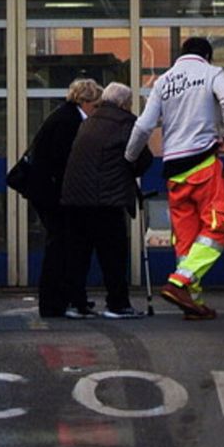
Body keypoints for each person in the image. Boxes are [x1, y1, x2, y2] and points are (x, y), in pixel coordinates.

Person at [125, 36, 224, 320]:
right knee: (217, 226)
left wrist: (128, 159)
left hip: (174, 169)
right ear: (208, 56)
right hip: (203, 163)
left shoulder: (163, 82)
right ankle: (180, 283)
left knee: (187, 241)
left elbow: (143, 126)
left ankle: (193, 303)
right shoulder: (211, 73)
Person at [61, 82, 153, 319]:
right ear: (124, 103)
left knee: (79, 253)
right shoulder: (125, 123)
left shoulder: (89, 121)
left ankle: (77, 303)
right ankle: (117, 303)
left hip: (76, 198)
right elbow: (143, 158)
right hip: (106, 199)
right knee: (113, 254)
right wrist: (130, 170)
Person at [25, 78, 103, 317]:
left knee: (62, 246)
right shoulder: (69, 122)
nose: (96, 111)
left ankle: (65, 298)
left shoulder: (65, 116)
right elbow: (61, 162)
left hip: (50, 191)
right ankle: (55, 302)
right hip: (54, 194)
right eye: (96, 105)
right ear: (84, 101)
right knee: (61, 247)